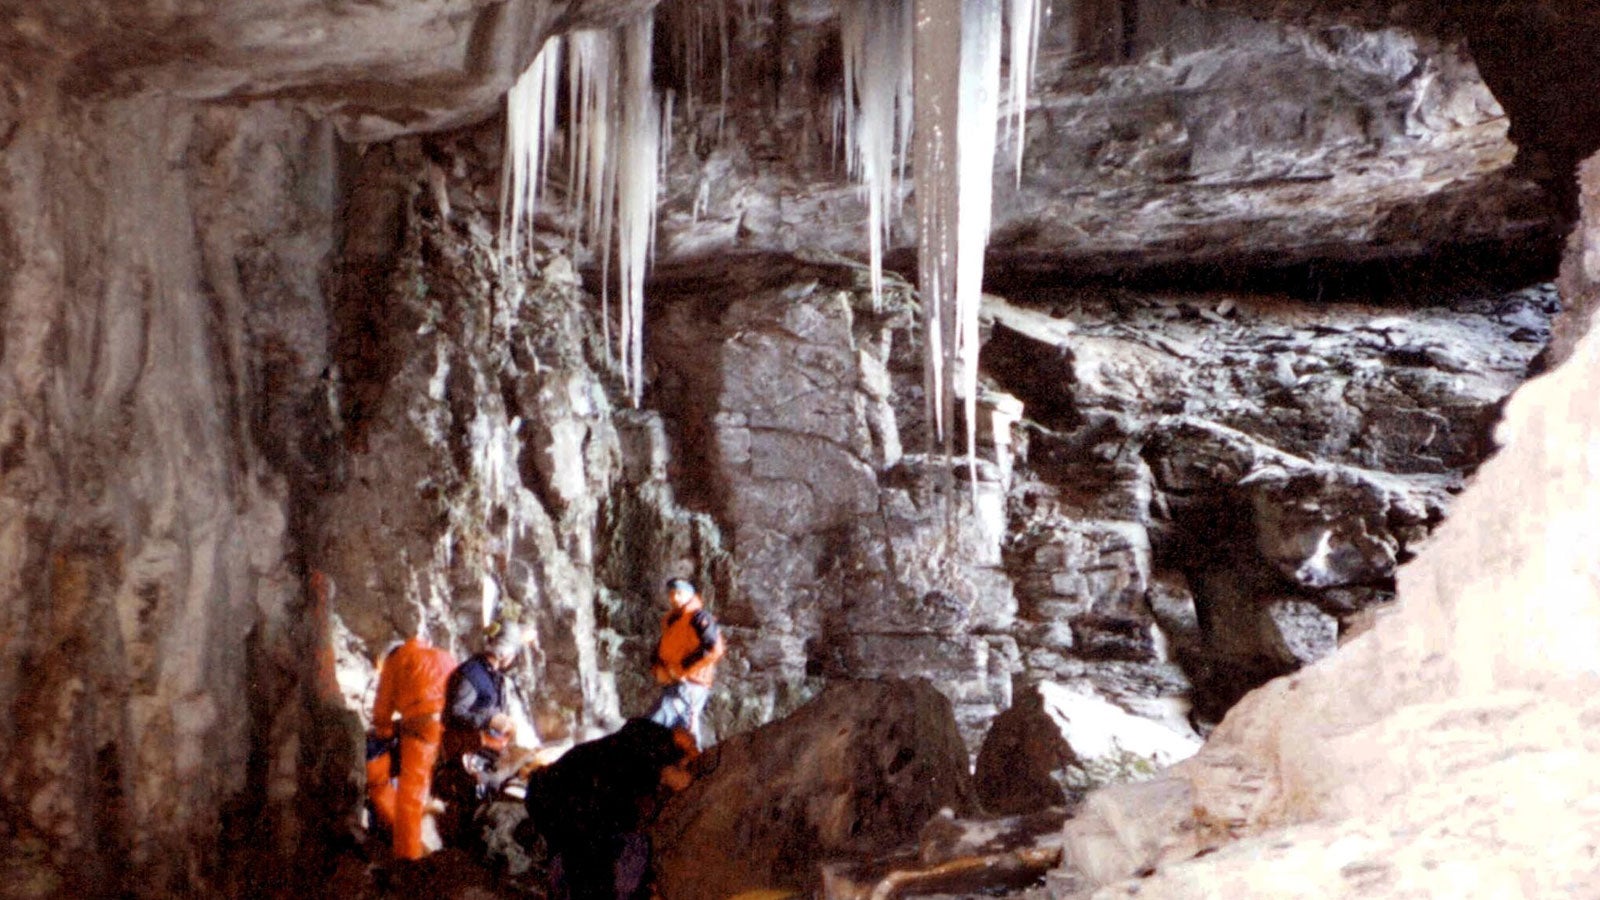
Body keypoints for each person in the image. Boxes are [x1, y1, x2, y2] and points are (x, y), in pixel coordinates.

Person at [522, 718, 699, 900]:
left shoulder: (624, 761)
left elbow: (634, 736)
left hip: (561, 800)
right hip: (567, 805)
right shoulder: (600, 804)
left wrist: (671, 744)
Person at [437, 623, 531, 843]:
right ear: (504, 652)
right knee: (468, 805)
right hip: (466, 750)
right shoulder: (472, 674)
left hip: (485, 747)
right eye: (513, 653)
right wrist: (489, 720)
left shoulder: (491, 673)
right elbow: (454, 713)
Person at [367, 631, 457, 860]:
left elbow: (382, 709)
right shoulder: (444, 655)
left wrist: (384, 733)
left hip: (422, 728)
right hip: (452, 729)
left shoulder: (396, 660)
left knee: (411, 794)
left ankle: (407, 858)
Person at [645, 578, 725, 749]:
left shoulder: (699, 618)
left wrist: (683, 669)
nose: (674, 598)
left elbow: (713, 649)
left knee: (662, 723)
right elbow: (663, 649)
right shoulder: (672, 621)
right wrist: (658, 668)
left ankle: (695, 762)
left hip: (691, 685)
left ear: (690, 594)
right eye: (671, 594)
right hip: (673, 682)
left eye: (679, 593)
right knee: (678, 731)